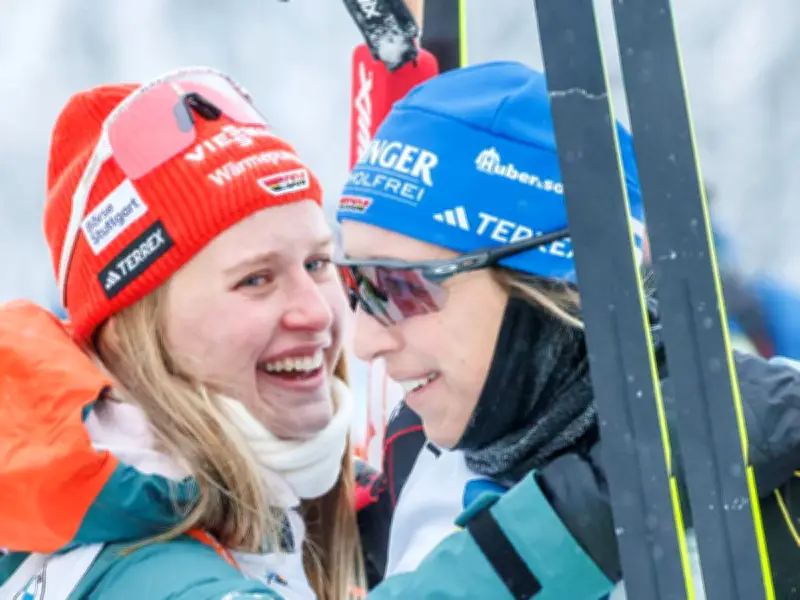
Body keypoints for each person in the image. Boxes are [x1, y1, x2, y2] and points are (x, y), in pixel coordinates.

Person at [0, 67, 618, 600]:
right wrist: (574, 524)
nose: (321, 314)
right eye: (256, 280)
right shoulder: (147, 573)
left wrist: (367, 520)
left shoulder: (202, 509)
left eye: (321, 266)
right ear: (138, 336)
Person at [338, 60, 800, 598]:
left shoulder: (766, 467)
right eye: (356, 283)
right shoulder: (417, 444)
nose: (364, 339)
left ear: (547, 281)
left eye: (398, 287)